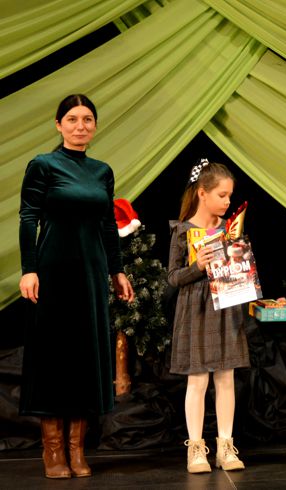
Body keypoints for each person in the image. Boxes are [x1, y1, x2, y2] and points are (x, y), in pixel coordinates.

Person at [18, 94, 135, 479]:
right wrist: (29, 269)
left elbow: (107, 225)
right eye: (72, 119)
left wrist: (117, 271)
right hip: (52, 272)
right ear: (58, 125)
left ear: (95, 126)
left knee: (86, 358)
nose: (80, 125)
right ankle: (52, 450)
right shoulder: (43, 165)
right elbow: (28, 217)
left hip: (90, 274)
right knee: (54, 358)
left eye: (87, 119)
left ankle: (76, 449)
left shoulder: (102, 171)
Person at [167, 161, 248, 473]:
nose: (227, 202)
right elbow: (173, 277)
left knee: (226, 377)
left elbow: (240, 269)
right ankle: (196, 448)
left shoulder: (231, 229)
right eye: (222, 195)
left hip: (225, 307)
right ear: (202, 193)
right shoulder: (182, 231)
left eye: (229, 196)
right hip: (196, 310)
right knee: (198, 378)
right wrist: (197, 266)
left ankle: (225, 446)